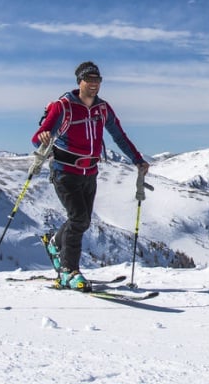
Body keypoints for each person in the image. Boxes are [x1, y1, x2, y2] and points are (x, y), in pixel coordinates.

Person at [32, 61, 149, 291]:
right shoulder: (63, 106)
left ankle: (55, 242)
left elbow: (119, 136)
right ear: (80, 81)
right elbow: (37, 138)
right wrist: (44, 136)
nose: (94, 84)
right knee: (79, 219)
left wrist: (137, 160)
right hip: (64, 171)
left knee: (81, 219)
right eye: (90, 80)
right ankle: (69, 271)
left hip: (90, 172)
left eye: (98, 80)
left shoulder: (103, 109)